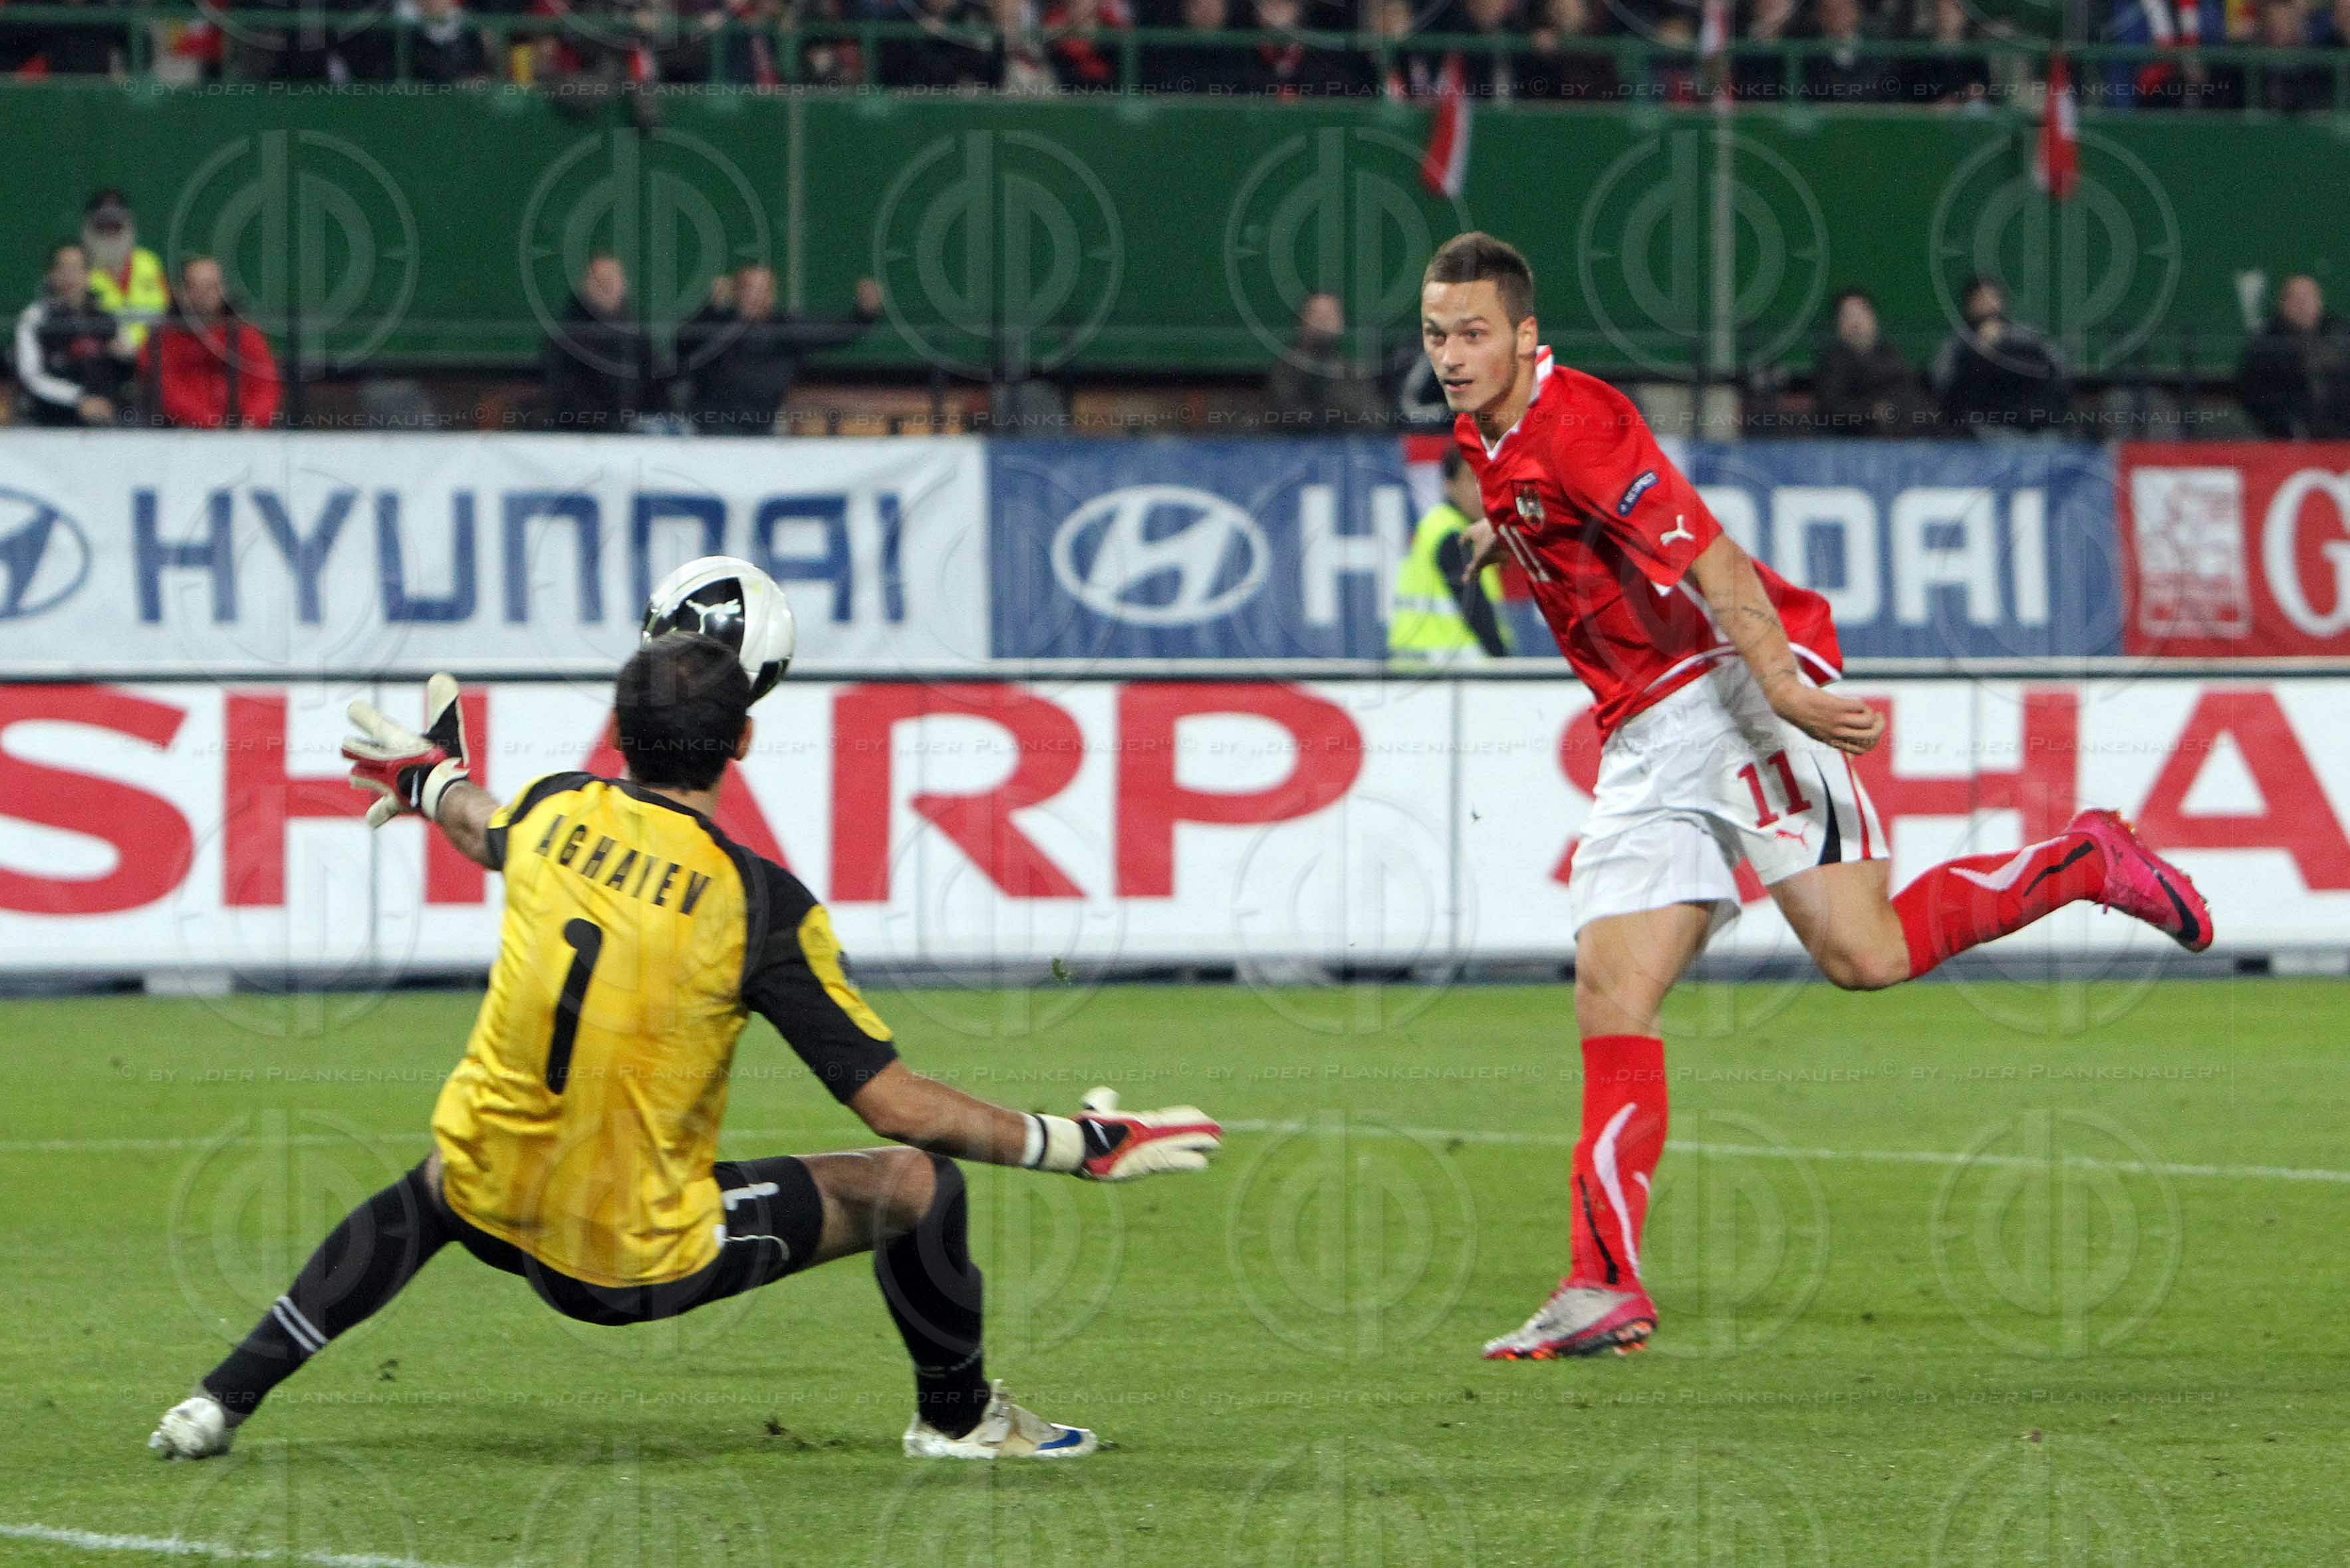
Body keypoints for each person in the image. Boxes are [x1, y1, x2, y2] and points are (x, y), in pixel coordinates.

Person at [1418, 231, 2212, 1360]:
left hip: (1727, 691)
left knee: (1863, 954)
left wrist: (1783, 689)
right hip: (1642, 737)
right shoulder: (1486, 432)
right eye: (1436, 333)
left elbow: (1718, 566)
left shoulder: (1581, 424)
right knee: (1609, 991)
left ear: (1523, 335)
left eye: (1471, 333)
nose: (1451, 354)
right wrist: (1508, 533)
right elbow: (1565, 510)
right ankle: (1601, 1283)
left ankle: (2085, 861)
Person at [149, 635, 1224, 1462]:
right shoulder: (757, 904)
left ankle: (221, 1395)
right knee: (914, 1185)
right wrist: (1068, 1140)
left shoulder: (559, 809)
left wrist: (428, 782)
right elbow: (892, 1106)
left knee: (439, 1178)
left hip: (489, 1199)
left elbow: (487, 824)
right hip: (622, 1258)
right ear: (743, 740)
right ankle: (958, 1422)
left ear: (615, 738)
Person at [678, 266, 882, 437]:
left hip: (765, 427)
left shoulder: (785, 329)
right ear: (736, 293)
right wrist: (711, 310)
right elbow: (684, 347)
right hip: (713, 428)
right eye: (749, 290)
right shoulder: (717, 326)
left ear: (772, 295)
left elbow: (835, 334)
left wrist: (864, 315)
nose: (756, 297)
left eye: (762, 290)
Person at [1390, 448, 1511, 661]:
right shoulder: (1450, 534)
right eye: (1470, 479)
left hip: (1432, 668)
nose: (1480, 489)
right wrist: (1504, 664)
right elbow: (1475, 609)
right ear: (1449, 485)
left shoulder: (1447, 527)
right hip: (1442, 673)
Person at [143, 256, 281, 430]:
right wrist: (210, 424)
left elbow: (265, 384)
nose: (206, 294)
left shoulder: (245, 335)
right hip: (182, 432)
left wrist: (252, 422)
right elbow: (167, 390)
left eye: (212, 286)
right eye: (197, 287)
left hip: (245, 433)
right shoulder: (163, 339)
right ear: (181, 292)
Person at [1930, 275, 2071, 438]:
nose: (1987, 305)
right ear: (1969, 305)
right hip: (1983, 433)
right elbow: (1945, 388)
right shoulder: (1957, 346)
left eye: (1992, 298)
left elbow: (2059, 372)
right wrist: (1981, 351)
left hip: (2038, 430)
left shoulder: (2028, 339)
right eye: (1980, 299)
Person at [13, 240, 133, 428]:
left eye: (77, 268)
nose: (70, 276)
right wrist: (79, 399)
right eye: (63, 268)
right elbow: (31, 376)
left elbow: (131, 367)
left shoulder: (109, 318)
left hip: (109, 418)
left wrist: (126, 358)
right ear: (51, 274)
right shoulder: (35, 317)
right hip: (51, 420)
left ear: (88, 274)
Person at [542, 255, 656, 433]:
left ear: (624, 284)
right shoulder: (567, 336)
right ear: (586, 286)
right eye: (601, 281)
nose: (609, 286)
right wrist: (603, 422)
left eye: (613, 279)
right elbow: (564, 389)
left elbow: (653, 382)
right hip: (578, 435)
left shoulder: (638, 336)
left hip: (633, 436)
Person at [2238, 275, 2350, 439]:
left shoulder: (2339, 335)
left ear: (2319, 301)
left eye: (2309, 298)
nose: (2303, 305)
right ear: (2283, 304)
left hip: (2340, 436)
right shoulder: (2266, 345)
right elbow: (2255, 395)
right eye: (2296, 299)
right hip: (2286, 437)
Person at [1811, 287, 1932, 437]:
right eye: (1848, 316)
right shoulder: (1832, 363)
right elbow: (1832, 407)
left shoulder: (1891, 354)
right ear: (1837, 325)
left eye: (1861, 313)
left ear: (1873, 318)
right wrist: (1871, 411)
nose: (1856, 322)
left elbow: (1912, 395)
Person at [1263, 293, 1388, 430]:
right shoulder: (1287, 369)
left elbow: (1375, 418)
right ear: (1302, 322)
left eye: (1331, 315)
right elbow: (1288, 416)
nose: (1324, 321)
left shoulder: (1351, 371)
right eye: (1317, 315)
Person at [78, 190, 167, 354]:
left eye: (116, 225)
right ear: (89, 228)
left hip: (155, 355)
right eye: (102, 226)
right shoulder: (80, 270)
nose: (110, 232)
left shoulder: (149, 262)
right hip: (104, 360)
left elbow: (166, 311)